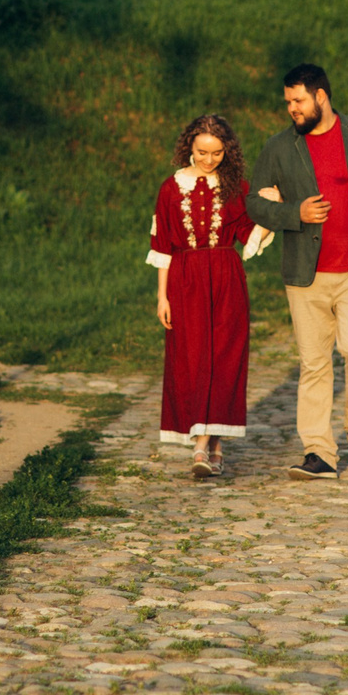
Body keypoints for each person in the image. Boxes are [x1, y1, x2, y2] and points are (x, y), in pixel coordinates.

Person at [243, 64, 348, 478]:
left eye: (298, 101)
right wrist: (292, 213)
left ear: (321, 97)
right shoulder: (279, 147)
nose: (292, 110)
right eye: (287, 103)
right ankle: (319, 451)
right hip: (306, 273)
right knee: (314, 363)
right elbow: (253, 203)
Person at [147, 114, 264, 480]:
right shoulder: (171, 188)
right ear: (189, 147)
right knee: (192, 356)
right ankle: (202, 443)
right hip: (185, 280)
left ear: (227, 153)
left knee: (224, 356)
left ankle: (212, 442)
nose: (208, 160)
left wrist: (269, 204)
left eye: (216, 153)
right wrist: (162, 297)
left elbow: (248, 232)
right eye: (201, 152)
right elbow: (162, 244)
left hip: (226, 278)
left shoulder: (236, 188)